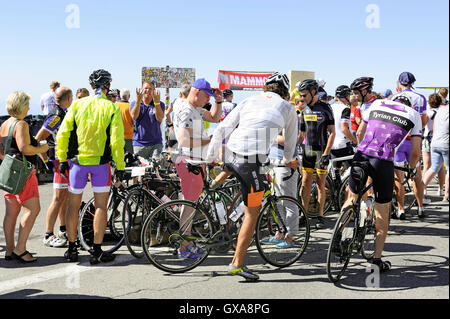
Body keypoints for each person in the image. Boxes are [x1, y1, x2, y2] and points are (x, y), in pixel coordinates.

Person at [206, 72, 300, 281]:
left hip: (232, 153)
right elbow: (291, 144)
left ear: (266, 87)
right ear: (284, 91)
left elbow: (222, 127)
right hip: (251, 162)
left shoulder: (249, 100)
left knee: (232, 171)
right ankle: (237, 263)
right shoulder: (288, 107)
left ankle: (210, 193)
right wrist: (286, 161)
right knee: (252, 214)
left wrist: (211, 156)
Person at [341, 97, 422, 272]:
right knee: (382, 210)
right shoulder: (414, 114)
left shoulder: (377, 103)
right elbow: (416, 151)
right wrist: (412, 168)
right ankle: (376, 261)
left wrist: (360, 150)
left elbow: (360, 133)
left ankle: (338, 236)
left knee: (352, 197)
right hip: (383, 160)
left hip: (361, 154)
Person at [56, 69, 125, 265]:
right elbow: (117, 142)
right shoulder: (111, 108)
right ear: (108, 86)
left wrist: (61, 159)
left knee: (72, 205)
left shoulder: (77, 104)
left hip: (77, 164)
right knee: (101, 206)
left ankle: (71, 249)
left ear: (91, 86)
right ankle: (96, 250)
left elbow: (63, 134)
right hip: (101, 165)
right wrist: (119, 166)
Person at [172, 78, 222, 259]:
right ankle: (184, 247)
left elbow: (215, 117)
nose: (208, 100)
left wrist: (218, 100)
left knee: (189, 205)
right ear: (196, 92)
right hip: (190, 161)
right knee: (189, 206)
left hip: (192, 160)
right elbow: (183, 140)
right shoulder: (187, 110)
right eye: (206, 96)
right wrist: (210, 140)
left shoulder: (192, 108)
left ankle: (188, 243)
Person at [0, 91, 49, 262]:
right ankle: (20, 249)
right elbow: (25, 149)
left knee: (11, 213)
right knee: (33, 209)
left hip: (8, 173)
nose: (29, 107)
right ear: (21, 106)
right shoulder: (21, 124)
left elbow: (1, 152)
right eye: (27, 104)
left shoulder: (4, 124)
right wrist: (42, 150)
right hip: (24, 172)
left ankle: (9, 250)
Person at [35, 87, 73, 248]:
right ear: (69, 99)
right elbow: (39, 137)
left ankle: (62, 229)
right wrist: (45, 159)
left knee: (63, 197)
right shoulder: (57, 115)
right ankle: (48, 234)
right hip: (59, 160)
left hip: (64, 159)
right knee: (57, 198)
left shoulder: (62, 113)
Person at [298, 79, 335, 229]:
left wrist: (327, 153)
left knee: (320, 184)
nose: (302, 98)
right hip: (308, 150)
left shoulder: (325, 107)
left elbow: (332, 132)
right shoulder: (304, 109)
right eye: (300, 95)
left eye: (304, 95)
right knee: (305, 183)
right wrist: (293, 149)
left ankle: (320, 215)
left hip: (321, 151)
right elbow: (301, 134)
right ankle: (303, 215)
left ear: (313, 92)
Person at [391, 72, 427, 218]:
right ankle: (420, 207)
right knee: (416, 176)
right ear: (412, 82)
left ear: (399, 82)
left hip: (399, 141)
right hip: (414, 141)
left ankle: (401, 209)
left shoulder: (394, 97)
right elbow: (423, 120)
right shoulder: (420, 97)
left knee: (398, 178)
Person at [131, 81, 165, 159]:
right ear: (141, 90)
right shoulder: (134, 103)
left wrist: (156, 103)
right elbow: (134, 117)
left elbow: (159, 118)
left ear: (154, 91)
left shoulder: (160, 104)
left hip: (156, 143)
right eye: (146, 88)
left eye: (150, 89)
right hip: (139, 144)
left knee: (157, 167)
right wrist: (138, 101)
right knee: (140, 169)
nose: (148, 90)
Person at [422, 101, 449, 201]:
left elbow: (434, 127)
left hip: (435, 142)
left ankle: (420, 191)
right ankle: (446, 195)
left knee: (433, 168)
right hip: (446, 143)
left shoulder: (440, 110)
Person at [330, 85, 357, 172]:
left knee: (336, 172)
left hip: (332, 144)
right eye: (348, 95)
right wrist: (354, 141)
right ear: (345, 96)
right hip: (343, 144)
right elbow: (344, 128)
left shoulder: (330, 107)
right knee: (353, 170)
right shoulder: (345, 109)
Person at [165, 84, 191, 151]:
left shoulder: (175, 101)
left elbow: (167, 113)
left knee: (171, 152)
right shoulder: (190, 103)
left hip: (174, 130)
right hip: (186, 131)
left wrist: (171, 126)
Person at [116, 89, 134, 154]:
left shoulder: (114, 106)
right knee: (129, 160)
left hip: (117, 137)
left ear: (120, 96)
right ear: (129, 96)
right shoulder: (131, 106)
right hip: (129, 137)